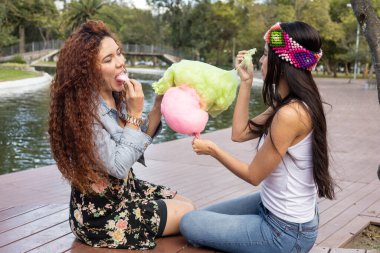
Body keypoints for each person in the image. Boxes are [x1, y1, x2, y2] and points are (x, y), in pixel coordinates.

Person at [180, 21, 336, 253]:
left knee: (189, 224)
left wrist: (213, 150)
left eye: (265, 55)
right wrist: (245, 81)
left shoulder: (291, 114)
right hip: (272, 209)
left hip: (285, 232)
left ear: (283, 63)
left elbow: (254, 176)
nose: (261, 61)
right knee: (199, 216)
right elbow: (239, 133)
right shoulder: (288, 104)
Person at [48, 20, 194, 250]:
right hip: (101, 215)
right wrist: (135, 114)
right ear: (89, 71)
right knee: (187, 213)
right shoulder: (85, 114)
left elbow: (134, 146)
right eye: (108, 60)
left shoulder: (115, 95)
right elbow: (118, 167)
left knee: (185, 204)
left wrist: (157, 105)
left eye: (118, 53)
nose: (120, 63)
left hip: (125, 191)